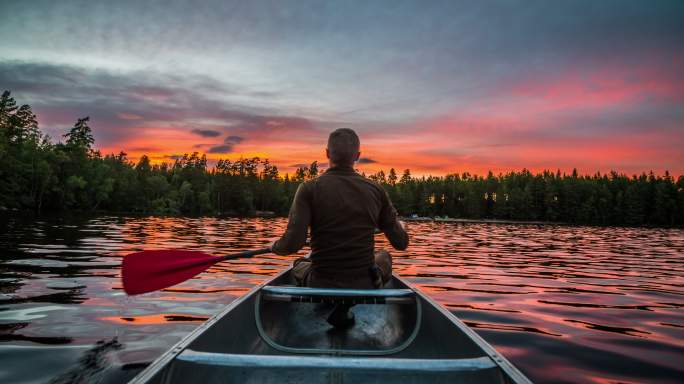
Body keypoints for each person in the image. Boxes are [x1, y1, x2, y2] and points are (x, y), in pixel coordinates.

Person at [271, 128, 409, 327]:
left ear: (327, 153)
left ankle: (334, 301)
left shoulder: (309, 188)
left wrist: (276, 246)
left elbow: (293, 243)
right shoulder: (376, 190)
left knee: (299, 263)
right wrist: (400, 226)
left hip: (320, 283)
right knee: (384, 256)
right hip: (365, 284)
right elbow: (401, 243)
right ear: (358, 156)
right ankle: (356, 295)